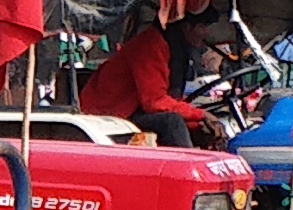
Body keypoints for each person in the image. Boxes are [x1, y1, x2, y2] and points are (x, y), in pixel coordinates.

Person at [78, 14, 215, 146]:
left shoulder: (175, 50)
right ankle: (187, 167)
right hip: (109, 115)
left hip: (132, 111)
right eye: (202, 27)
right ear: (186, 27)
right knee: (172, 122)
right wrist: (200, 115)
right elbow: (154, 102)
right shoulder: (150, 45)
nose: (207, 33)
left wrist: (199, 123)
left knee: (201, 129)